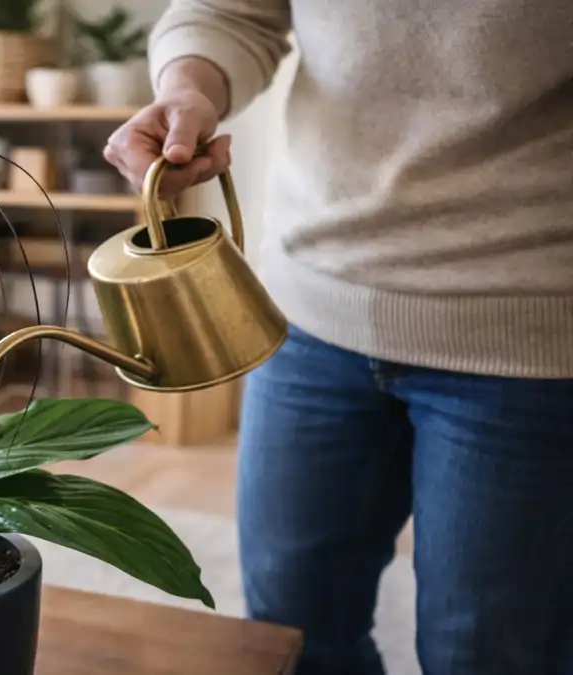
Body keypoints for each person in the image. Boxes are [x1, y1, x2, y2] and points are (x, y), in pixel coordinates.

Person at [103, 2, 573, 674]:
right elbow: (231, 12)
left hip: (525, 332)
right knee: (292, 636)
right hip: (307, 313)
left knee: (491, 653)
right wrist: (187, 89)